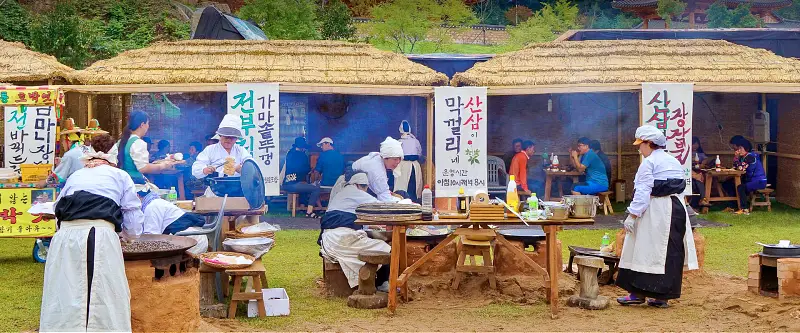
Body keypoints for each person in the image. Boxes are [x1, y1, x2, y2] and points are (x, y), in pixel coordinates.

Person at [40, 134, 144, 331]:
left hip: (65, 238)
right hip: (99, 234)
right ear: (113, 157)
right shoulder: (120, 175)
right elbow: (132, 213)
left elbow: (58, 208)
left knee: (66, 291)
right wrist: (129, 237)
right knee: (104, 293)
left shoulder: (76, 175)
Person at [616, 125, 698, 308]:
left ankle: (636, 293)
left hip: (655, 211)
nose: (639, 148)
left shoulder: (649, 163)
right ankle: (662, 296)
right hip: (676, 209)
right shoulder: (674, 161)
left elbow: (643, 193)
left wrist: (633, 215)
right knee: (670, 251)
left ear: (649, 143)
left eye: (640, 144)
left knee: (642, 248)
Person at [319, 172, 391, 292]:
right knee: (386, 248)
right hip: (341, 239)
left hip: (331, 238)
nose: (365, 191)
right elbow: (379, 205)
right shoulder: (354, 192)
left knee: (373, 244)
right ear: (360, 185)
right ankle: (382, 283)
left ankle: (375, 281)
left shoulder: (344, 192)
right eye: (365, 188)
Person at [192, 114, 253, 195]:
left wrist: (241, 169)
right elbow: (196, 168)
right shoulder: (210, 150)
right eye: (226, 136)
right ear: (220, 136)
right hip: (215, 190)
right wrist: (205, 170)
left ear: (237, 138)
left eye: (232, 137)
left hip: (238, 190)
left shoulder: (241, 151)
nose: (228, 140)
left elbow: (252, 168)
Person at [331, 137, 404, 203]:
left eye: (399, 159)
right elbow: (385, 199)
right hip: (348, 196)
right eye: (395, 159)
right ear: (385, 157)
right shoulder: (376, 169)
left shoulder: (378, 158)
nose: (397, 162)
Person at [109, 111, 175, 183]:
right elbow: (143, 168)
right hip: (134, 183)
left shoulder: (120, 141)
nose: (148, 126)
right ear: (142, 125)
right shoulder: (138, 143)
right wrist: (164, 166)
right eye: (148, 123)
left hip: (120, 181)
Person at [283, 137, 322, 218]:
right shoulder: (302, 156)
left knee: (305, 186)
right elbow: (306, 170)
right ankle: (309, 212)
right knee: (315, 188)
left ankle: (302, 206)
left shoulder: (289, 153)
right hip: (295, 185)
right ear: (302, 147)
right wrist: (311, 170)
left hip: (286, 184)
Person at [731, 139, 767, 214]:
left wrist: (736, 157)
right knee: (730, 184)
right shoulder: (743, 157)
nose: (739, 150)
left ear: (746, 149)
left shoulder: (750, 156)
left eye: (741, 148)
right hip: (752, 180)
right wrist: (736, 158)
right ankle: (734, 205)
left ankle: (744, 209)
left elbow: (741, 168)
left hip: (759, 181)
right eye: (738, 148)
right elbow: (736, 166)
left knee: (741, 187)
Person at [395, 120, 423, 202]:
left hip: (404, 165)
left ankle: (402, 199)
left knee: (404, 184)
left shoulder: (399, 142)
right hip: (415, 165)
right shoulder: (415, 141)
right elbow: (420, 153)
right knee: (413, 184)